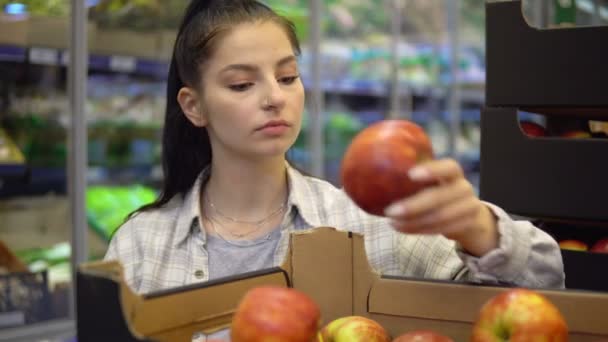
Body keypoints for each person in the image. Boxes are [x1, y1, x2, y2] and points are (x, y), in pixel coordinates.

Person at [104, 0, 564, 294]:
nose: (274, 97)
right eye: (242, 84)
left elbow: (546, 286)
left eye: (287, 77)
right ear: (193, 106)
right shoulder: (140, 246)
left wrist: (480, 231)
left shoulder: (370, 227)